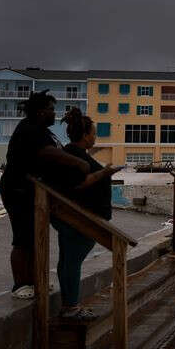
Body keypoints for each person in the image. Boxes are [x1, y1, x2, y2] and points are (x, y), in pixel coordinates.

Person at [0, 90, 91, 299]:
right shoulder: (29, 129)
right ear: (40, 112)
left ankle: (35, 279)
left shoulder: (43, 131)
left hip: (35, 192)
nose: (54, 113)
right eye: (51, 109)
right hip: (18, 190)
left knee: (34, 237)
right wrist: (78, 162)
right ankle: (21, 284)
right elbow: (47, 153)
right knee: (22, 238)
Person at [53, 108, 123, 320]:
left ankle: (69, 305)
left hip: (76, 217)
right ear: (85, 136)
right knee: (72, 261)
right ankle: (71, 308)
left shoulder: (72, 153)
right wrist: (106, 172)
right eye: (93, 133)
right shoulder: (73, 156)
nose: (95, 136)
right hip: (78, 219)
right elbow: (77, 184)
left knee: (68, 260)